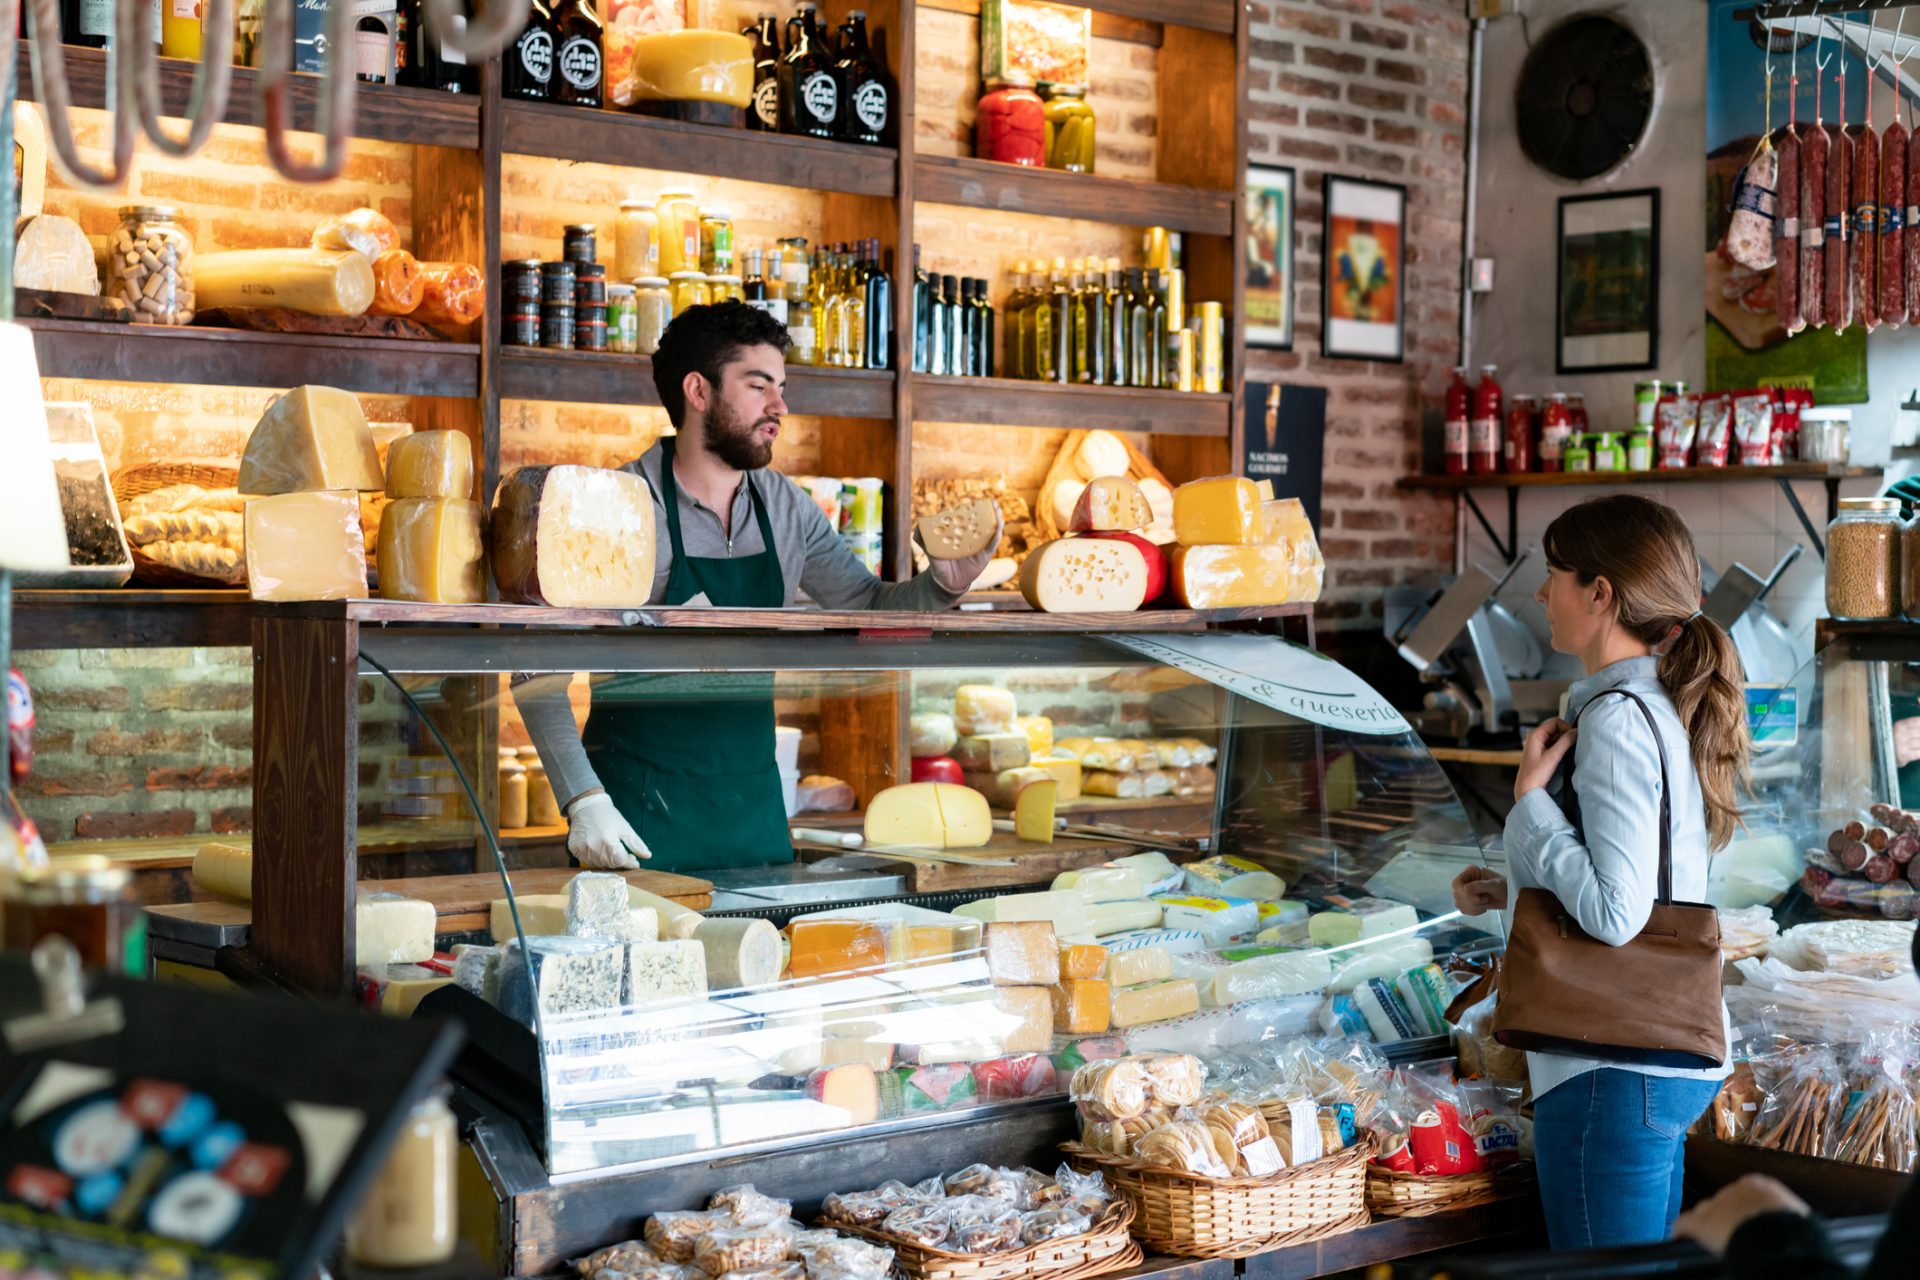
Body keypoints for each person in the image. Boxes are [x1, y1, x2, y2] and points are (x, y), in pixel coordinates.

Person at [517, 302, 996, 873]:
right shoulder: (618, 506)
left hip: (755, 818)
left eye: (782, 387)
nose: (780, 407)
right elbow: (535, 668)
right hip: (637, 824)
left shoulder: (787, 507)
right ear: (698, 391)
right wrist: (583, 800)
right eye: (758, 385)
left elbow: (868, 608)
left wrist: (942, 585)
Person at [1450, 494, 1750, 1250]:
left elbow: (1618, 913)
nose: (1542, 595)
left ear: (1601, 592)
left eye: (1554, 575)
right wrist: (1518, 881)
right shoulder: (1656, 703)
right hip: (1650, 1059)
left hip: (1610, 1071)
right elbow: (1651, 881)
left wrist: (1528, 805)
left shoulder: (1616, 718)